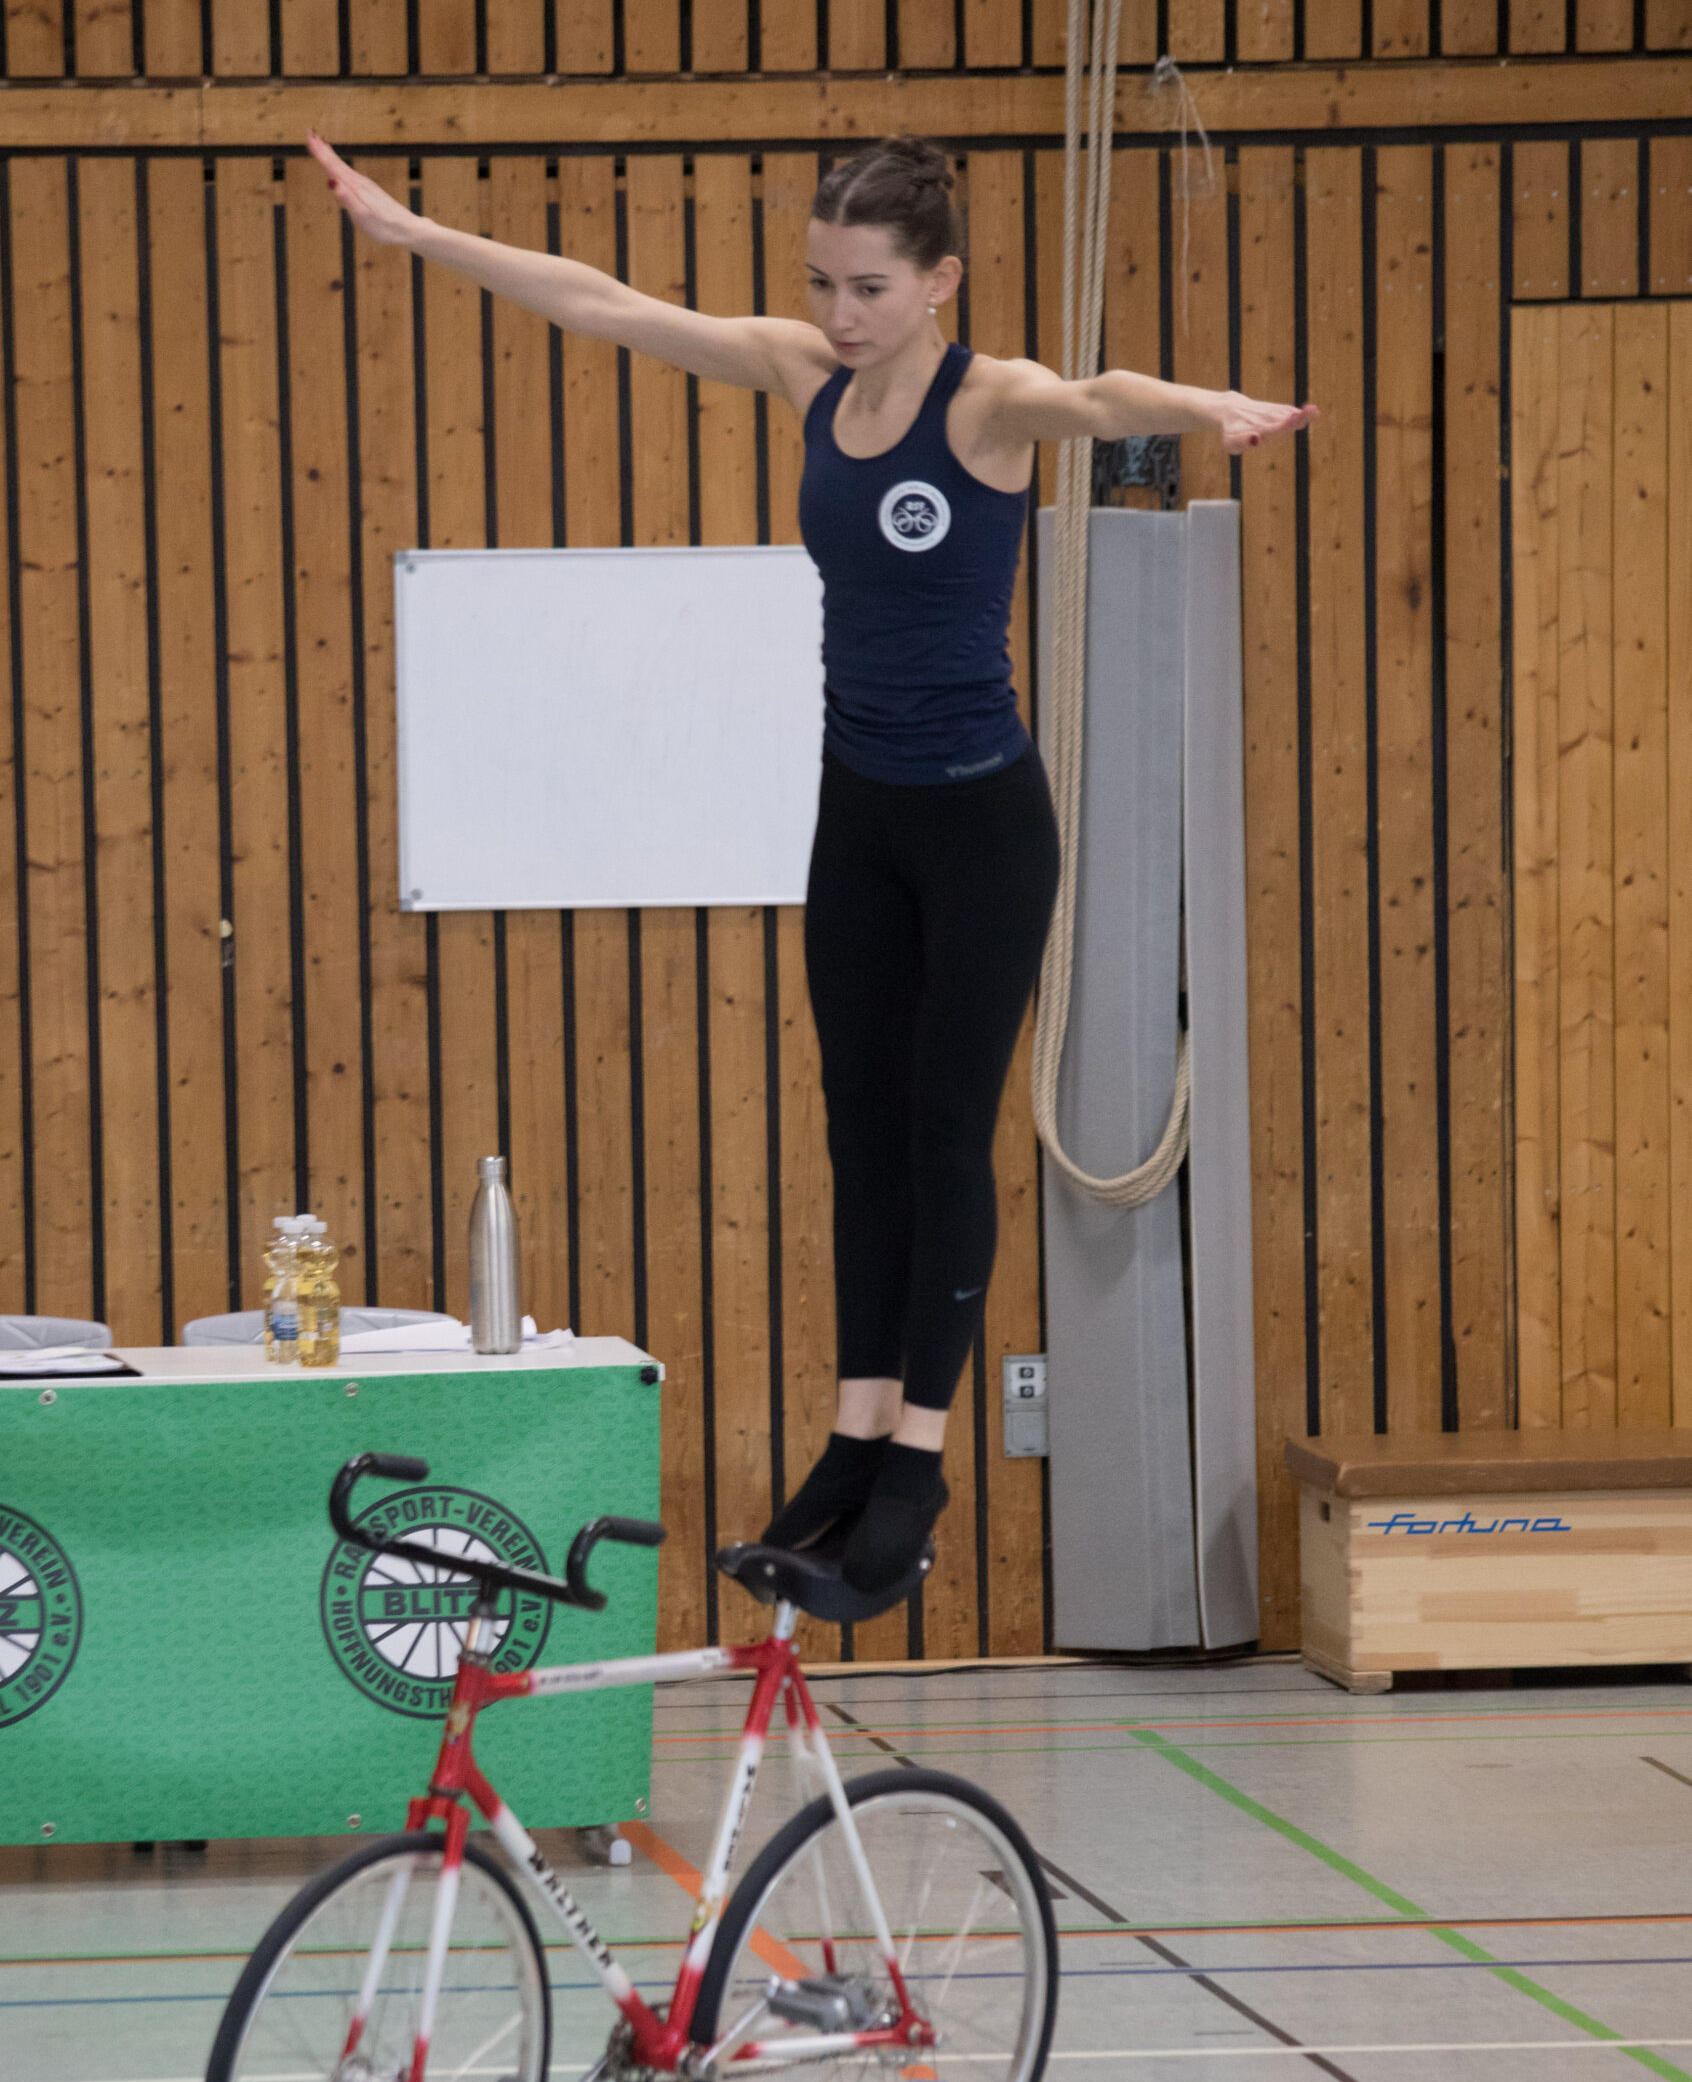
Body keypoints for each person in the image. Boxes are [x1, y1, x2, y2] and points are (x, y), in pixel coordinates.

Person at [306, 130, 1315, 1594]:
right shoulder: (804, 375)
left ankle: (916, 1463)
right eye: (821, 284)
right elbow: (606, 305)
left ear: (939, 281)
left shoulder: (991, 403)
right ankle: (852, 1437)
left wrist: (1210, 405)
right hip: (860, 815)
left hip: (981, 829)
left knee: (943, 1133)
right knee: (859, 1132)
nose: (839, 315)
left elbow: (1104, 397)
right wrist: (419, 237)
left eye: (869, 288)